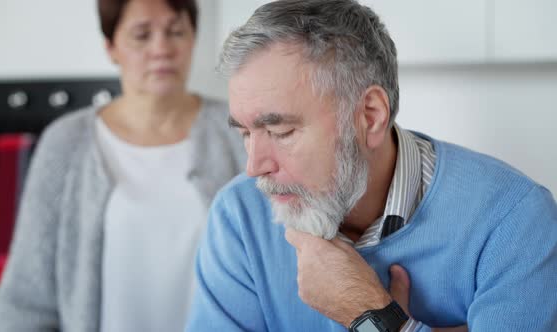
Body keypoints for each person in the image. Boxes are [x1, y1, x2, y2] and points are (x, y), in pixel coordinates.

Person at [185, 0, 557, 331]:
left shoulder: (514, 219)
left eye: (280, 131)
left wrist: (371, 315)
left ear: (370, 115)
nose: (254, 167)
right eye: (246, 133)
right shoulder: (238, 216)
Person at [0, 0, 245, 331]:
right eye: (142, 35)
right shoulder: (65, 142)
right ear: (111, 47)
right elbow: (26, 301)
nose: (162, 49)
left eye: (176, 32)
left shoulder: (240, 131)